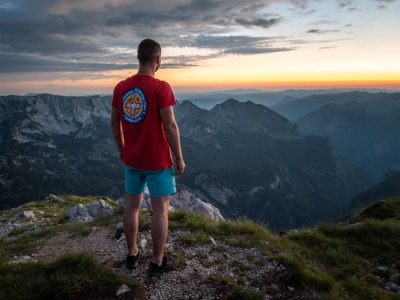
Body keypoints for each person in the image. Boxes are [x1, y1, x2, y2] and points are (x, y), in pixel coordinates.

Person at [111, 38, 185, 276]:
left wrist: (122, 150)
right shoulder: (161, 88)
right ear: (158, 60)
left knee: (131, 207)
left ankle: (132, 254)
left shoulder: (121, 88)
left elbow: (114, 122)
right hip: (157, 160)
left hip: (132, 159)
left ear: (138, 58)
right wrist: (180, 157)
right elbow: (171, 126)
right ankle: (157, 261)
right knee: (160, 209)